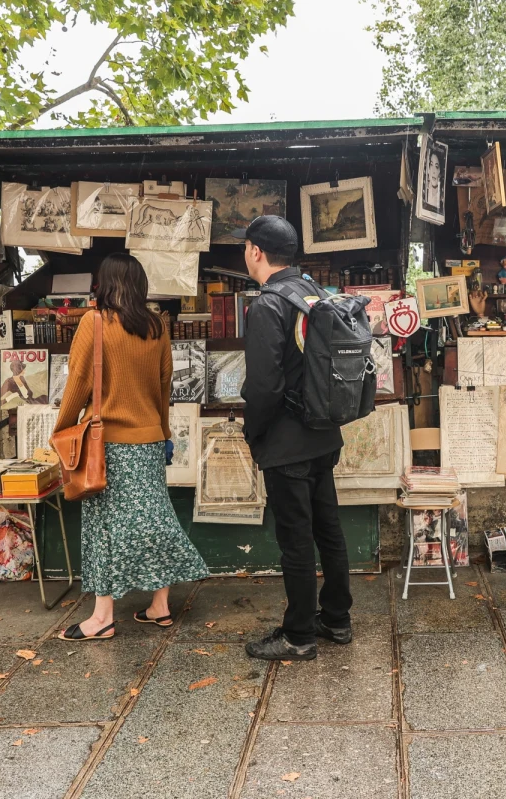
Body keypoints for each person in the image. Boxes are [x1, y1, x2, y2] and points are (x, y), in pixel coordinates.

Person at [52, 253, 209, 641]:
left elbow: (78, 384)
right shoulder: (157, 326)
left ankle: (102, 616)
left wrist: (61, 430)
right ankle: (160, 605)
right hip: (150, 441)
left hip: (109, 446)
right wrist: (163, 431)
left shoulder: (94, 323)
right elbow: (163, 386)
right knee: (155, 518)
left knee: (104, 528)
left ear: (104, 284)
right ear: (139, 285)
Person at [235, 215, 352, 661]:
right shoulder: (312, 293)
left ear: (255, 251)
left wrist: (253, 432)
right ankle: (337, 619)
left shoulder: (267, 305)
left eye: (246, 248)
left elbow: (264, 387)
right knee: (329, 531)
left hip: (287, 444)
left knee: (296, 541)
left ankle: (299, 635)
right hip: (324, 434)